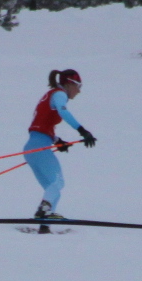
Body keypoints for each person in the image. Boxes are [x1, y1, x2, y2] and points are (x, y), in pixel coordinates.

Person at [23, 68, 95, 220]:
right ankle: (44, 210)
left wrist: (57, 141)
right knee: (58, 182)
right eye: (78, 86)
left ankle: (45, 221)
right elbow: (64, 112)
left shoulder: (50, 96)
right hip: (39, 147)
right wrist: (83, 131)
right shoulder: (59, 94)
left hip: (32, 147)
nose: (79, 91)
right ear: (69, 84)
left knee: (52, 188)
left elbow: (41, 126)